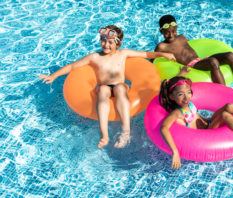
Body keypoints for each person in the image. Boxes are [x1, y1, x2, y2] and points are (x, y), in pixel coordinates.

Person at [40, 25, 175, 149]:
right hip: (104, 87)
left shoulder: (123, 54)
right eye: (103, 40)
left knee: (120, 88)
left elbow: (146, 54)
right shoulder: (94, 57)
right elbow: (72, 66)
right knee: (103, 89)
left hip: (120, 86)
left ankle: (125, 132)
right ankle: (104, 135)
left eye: (110, 42)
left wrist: (164, 54)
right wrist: (54, 76)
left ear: (118, 44)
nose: (106, 44)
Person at [154, 15, 233, 100]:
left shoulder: (182, 37)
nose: (171, 35)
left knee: (230, 56)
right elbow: (154, 59)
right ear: (161, 31)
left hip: (202, 60)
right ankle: (226, 95)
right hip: (192, 66)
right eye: (167, 33)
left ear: (177, 27)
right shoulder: (162, 46)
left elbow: (192, 47)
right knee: (213, 61)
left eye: (173, 31)